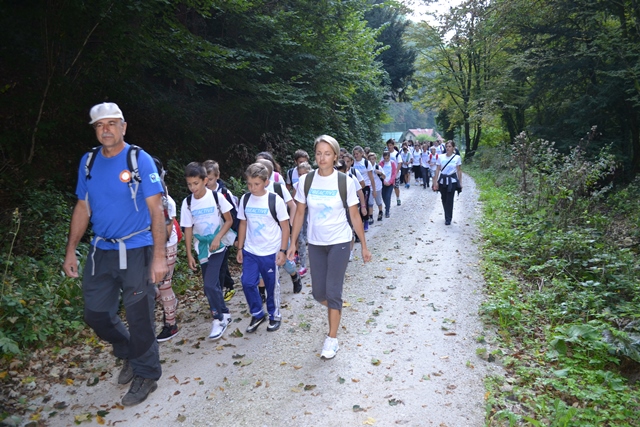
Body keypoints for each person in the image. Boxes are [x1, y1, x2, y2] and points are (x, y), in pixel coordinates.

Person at [63, 102, 168, 406]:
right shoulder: (88, 162)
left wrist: (159, 256)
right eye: (100, 125)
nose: (106, 129)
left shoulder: (139, 159)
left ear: (123, 127)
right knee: (95, 314)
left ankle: (146, 374)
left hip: (137, 248)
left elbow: (156, 209)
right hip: (101, 250)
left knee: (140, 316)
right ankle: (129, 351)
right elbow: (82, 207)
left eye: (112, 123)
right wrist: (71, 250)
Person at [288, 135, 372, 360]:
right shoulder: (305, 181)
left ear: (335, 156)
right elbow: (299, 213)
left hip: (340, 242)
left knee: (333, 291)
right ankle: (336, 308)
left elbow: (355, 216)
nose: (322, 158)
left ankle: (332, 338)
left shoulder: (345, 181)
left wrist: (363, 246)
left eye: (327, 153)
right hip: (316, 243)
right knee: (319, 293)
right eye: (318, 153)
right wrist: (293, 243)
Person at [180, 162, 233, 340]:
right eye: (189, 184)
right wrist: (189, 253)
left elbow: (229, 220)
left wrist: (218, 237)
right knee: (211, 285)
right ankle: (224, 313)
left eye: (196, 183)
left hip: (218, 246)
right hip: (202, 248)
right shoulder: (187, 203)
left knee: (209, 284)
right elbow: (188, 229)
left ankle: (218, 319)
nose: (192, 187)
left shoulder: (216, 197)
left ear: (204, 181)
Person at [236, 163, 290, 333]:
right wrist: (240, 248)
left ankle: (274, 315)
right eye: (249, 184)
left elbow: (285, 226)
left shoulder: (275, 200)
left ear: (266, 182)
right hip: (251, 250)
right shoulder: (245, 199)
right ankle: (257, 313)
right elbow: (243, 223)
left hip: (270, 251)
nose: (252, 188)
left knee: (271, 286)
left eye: (256, 184)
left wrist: (283, 251)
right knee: (247, 282)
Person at [203, 160, 238, 302]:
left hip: (224, 234)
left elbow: (234, 214)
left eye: (210, 179)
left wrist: (238, 238)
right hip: (208, 236)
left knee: (221, 265)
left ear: (217, 176)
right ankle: (229, 285)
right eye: (204, 179)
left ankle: (218, 298)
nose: (207, 183)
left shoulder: (224, 193)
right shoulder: (200, 194)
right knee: (214, 264)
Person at [154, 158, 180, 342]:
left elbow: (167, 230)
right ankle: (170, 302)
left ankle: (171, 325)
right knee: (150, 285)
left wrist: (159, 252)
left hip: (166, 246)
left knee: (164, 285)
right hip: (150, 246)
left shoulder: (166, 201)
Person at [432, 141, 463, 225]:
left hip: (452, 181)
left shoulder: (457, 158)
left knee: (450, 199)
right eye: (447, 146)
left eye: (450, 146)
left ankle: (448, 218)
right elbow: (437, 169)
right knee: (444, 198)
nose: (448, 148)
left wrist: (460, 182)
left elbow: (459, 171)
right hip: (443, 181)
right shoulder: (441, 157)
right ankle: (446, 213)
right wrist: (435, 182)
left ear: (453, 148)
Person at [294, 161, 312, 276]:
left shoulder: (315, 185)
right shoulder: (297, 185)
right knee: (301, 240)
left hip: (312, 216)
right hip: (301, 215)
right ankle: (303, 265)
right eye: (299, 174)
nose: (301, 176)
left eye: (304, 174)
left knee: (310, 239)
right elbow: (294, 201)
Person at [352, 146, 376, 229]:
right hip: (355, 187)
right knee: (356, 205)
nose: (355, 156)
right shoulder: (352, 163)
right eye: (354, 154)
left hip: (365, 187)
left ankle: (365, 220)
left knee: (364, 204)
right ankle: (359, 222)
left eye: (357, 154)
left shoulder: (366, 163)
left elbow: (371, 177)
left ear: (362, 153)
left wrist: (374, 190)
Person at [379, 151, 397, 218]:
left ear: (389, 157)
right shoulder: (381, 163)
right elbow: (379, 173)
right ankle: (387, 205)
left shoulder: (392, 163)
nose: (386, 159)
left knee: (388, 196)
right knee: (383, 196)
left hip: (390, 183)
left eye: (387, 158)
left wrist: (390, 182)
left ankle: (387, 211)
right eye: (385, 158)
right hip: (383, 182)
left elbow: (394, 173)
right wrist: (384, 181)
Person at [367, 152, 385, 221]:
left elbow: (384, 177)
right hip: (370, 187)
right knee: (370, 203)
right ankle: (371, 216)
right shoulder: (367, 167)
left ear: (375, 159)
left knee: (378, 201)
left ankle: (380, 212)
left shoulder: (378, 167)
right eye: (370, 159)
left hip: (377, 187)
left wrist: (380, 173)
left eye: (373, 159)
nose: (371, 160)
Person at [386, 139, 402, 205]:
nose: (389, 147)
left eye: (390, 145)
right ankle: (387, 202)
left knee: (396, 187)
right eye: (388, 145)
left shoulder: (396, 154)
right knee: (388, 188)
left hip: (396, 174)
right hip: (388, 174)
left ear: (393, 145)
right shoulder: (386, 154)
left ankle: (398, 198)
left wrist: (396, 172)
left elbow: (399, 163)